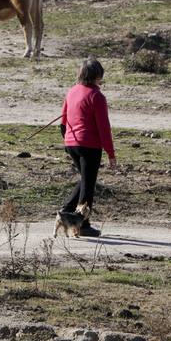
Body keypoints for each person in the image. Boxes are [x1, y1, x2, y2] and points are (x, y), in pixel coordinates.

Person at [57, 57, 116, 237]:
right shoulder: (97, 96)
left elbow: (63, 122)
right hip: (89, 145)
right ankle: (82, 224)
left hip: (71, 142)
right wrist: (111, 153)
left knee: (85, 179)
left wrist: (67, 142)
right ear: (97, 76)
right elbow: (104, 127)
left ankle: (66, 211)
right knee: (88, 185)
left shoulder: (72, 91)